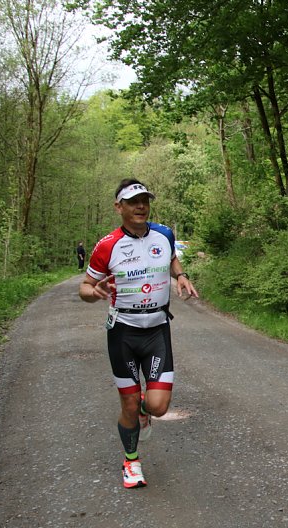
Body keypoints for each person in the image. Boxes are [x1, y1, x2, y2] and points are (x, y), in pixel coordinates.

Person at [79, 179, 199, 489]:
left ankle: (146, 411)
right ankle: (131, 460)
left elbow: (171, 257)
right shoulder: (107, 245)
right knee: (128, 406)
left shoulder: (164, 234)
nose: (140, 206)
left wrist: (181, 275)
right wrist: (94, 293)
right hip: (123, 333)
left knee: (157, 406)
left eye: (144, 200)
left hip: (158, 329)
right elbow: (85, 286)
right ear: (119, 207)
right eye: (133, 202)